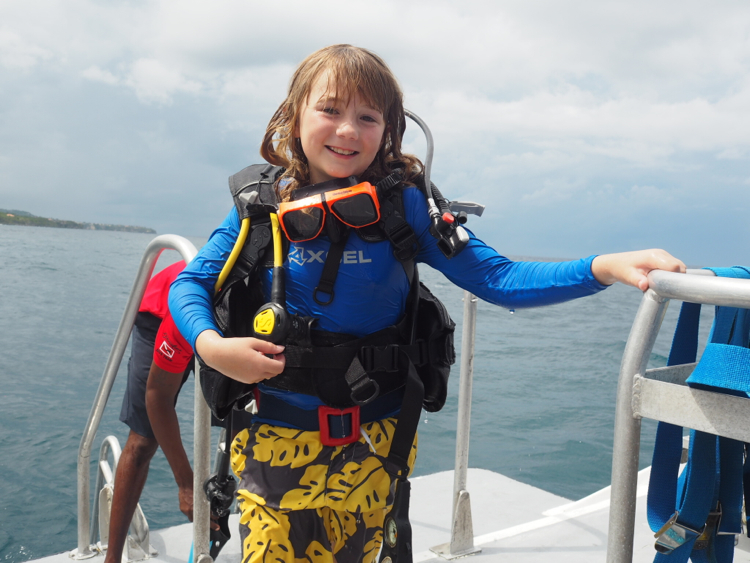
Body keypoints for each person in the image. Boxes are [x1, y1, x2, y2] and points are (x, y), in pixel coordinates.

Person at [169, 44, 686, 563]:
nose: (348, 130)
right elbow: (189, 285)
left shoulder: (405, 206)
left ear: (388, 131)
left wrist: (602, 268)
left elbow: (498, 277)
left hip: (377, 445)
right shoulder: (260, 206)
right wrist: (212, 346)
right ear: (294, 115)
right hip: (276, 438)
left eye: (367, 117)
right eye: (330, 110)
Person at [104, 261, 209, 563]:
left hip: (220, 321)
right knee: (143, 438)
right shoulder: (191, 298)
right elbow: (157, 398)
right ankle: (112, 559)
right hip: (164, 310)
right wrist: (186, 483)